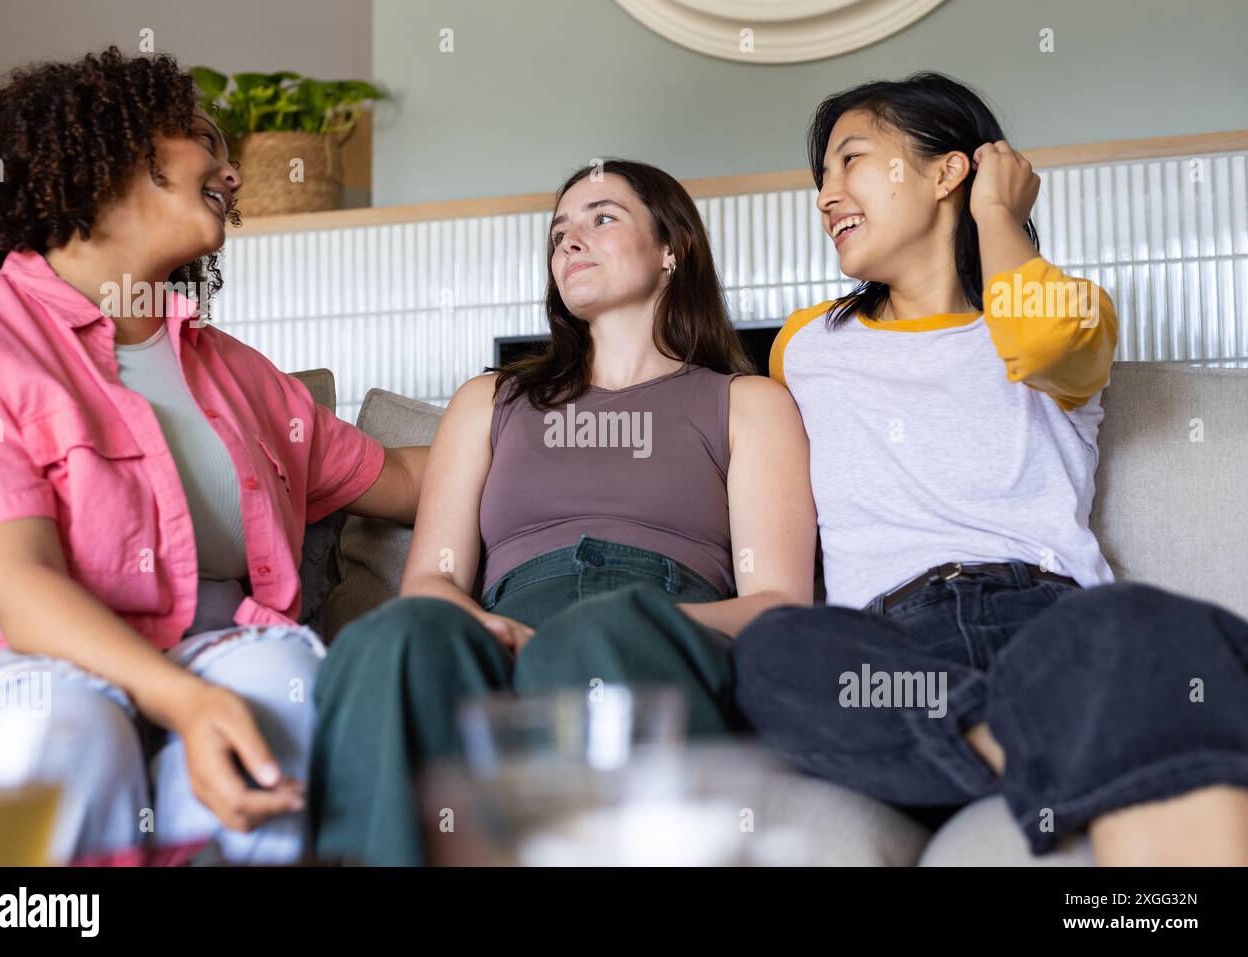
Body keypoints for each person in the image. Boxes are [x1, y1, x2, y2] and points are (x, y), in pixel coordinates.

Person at [731, 72, 1248, 865]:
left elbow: (1037, 344)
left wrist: (999, 215)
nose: (825, 195)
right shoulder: (801, 347)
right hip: (894, 651)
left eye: (852, 161)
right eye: (822, 177)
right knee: (777, 651)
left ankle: (1022, 750)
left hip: (1052, 627)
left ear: (948, 171)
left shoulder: (1071, 312)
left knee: (1152, 622)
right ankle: (1060, 749)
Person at [0, 47, 426, 864]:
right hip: (18, 660)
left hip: (210, 644)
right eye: (204, 137)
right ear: (108, 150)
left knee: (284, 685)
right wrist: (186, 703)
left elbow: (407, 478)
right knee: (76, 731)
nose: (231, 172)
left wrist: (555, 404)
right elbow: (17, 584)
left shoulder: (236, 371)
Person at [310, 159, 816, 865]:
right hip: (506, 624)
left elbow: (777, 601)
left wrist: (639, 620)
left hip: (654, 619)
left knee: (595, 638)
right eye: (558, 234)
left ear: (674, 249)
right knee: (394, 637)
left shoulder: (746, 402)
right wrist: (487, 624)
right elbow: (432, 578)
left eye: (601, 217)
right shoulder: (490, 401)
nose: (570, 241)